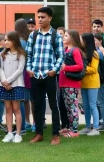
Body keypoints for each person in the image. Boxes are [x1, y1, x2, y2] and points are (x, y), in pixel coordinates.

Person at [26, 7, 64, 146]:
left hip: (50, 75)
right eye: (39, 17)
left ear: (50, 18)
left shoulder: (55, 36)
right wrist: (29, 69)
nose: (40, 19)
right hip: (35, 74)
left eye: (43, 17)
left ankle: (55, 135)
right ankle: (39, 133)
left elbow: (61, 56)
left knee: (53, 105)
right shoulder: (33, 35)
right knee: (37, 105)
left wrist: (54, 70)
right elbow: (28, 54)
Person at [0, 31, 25, 143]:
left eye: (7, 40)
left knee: (16, 109)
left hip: (16, 85)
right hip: (4, 85)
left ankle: (18, 134)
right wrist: (4, 81)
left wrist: (8, 81)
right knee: (8, 109)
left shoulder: (21, 55)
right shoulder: (2, 54)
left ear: (13, 41)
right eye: (5, 40)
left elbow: (20, 70)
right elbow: (0, 68)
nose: (5, 42)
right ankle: (9, 133)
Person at [59, 30, 83, 137]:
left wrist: (66, 68)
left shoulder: (75, 50)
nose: (63, 37)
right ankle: (69, 127)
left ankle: (75, 131)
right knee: (67, 107)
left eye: (66, 36)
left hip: (71, 83)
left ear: (72, 38)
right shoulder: (65, 49)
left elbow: (80, 66)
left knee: (72, 107)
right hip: (63, 82)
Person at [79, 33, 100, 136]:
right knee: (86, 106)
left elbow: (94, 69)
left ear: (86, 41)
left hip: (92, 83)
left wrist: (82, 68)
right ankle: (88, 126)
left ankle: (96, 128)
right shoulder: (82, 52)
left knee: (92, 105)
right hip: (83, 83)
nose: (80, 41)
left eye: (81, 39)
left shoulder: (94, 54)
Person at [15, 18, 31, 133]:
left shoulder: (21, 42)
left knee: (21, 99)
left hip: (21, 73)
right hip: (27, 72)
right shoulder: (28, 39)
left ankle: (23, 125)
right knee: (26, 99)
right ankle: (27, 122)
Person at [94, 33, 104, 131]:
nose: (93, 42)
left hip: (102, 79)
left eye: (95, 40)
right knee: (98, 101)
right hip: (100, 79)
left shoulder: (100, 52)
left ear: (100, 41)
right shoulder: (97, 51)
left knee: (100, 101)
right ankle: (100, 121)